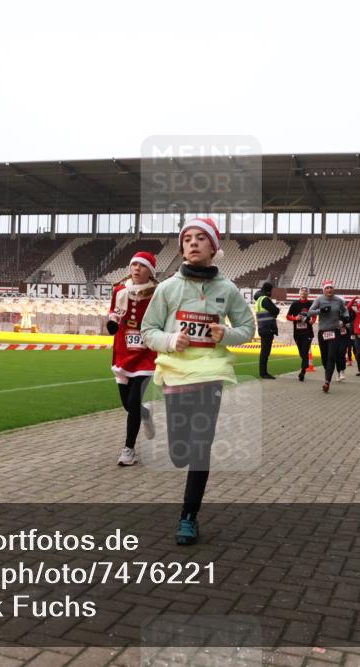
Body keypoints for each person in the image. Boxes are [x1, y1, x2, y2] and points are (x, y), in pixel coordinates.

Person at [141, 217, 254, 545]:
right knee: (180, 452)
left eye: (200, 238)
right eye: (187, 238)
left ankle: (188, 517)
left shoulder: (227, 289)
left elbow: (248, 328)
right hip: (176, 374)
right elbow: (149, 331)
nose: (192, 243)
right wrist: (171, 341)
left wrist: (226, 334)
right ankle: (170, 438)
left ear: (213, 247)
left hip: (211, 374)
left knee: (201, 446)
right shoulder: (167, 289)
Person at [106, 251, 159, 467]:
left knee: (134, 400)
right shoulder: (119, 290)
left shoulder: (157, 293)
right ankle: (145, 413)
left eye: (142, 265)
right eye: (134, 264)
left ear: (151, 271)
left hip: (147, 352)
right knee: (128, 404)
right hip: (124, 349)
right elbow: (113, 312)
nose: (136, 268)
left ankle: (129, 449)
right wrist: (112, 322)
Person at [307, 281, 350, 393]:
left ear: (333, 289)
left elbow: (345, 311)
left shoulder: (338, 300)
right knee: (325, 358)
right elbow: (309, 312)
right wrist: (320, 311)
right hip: (323, 332)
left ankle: (327, 382)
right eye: (327, 288)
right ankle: (328, 372)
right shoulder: (319, 299)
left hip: (335, 332)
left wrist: (345, 318)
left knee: (332, 356)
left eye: (331, 288)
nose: (329, 290)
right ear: (324, 290)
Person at [285, 287, 316, 381]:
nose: (304, 292)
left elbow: (314, 316)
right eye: (302, 291)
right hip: (297, 333)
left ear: (308, 294)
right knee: (302, 353)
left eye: (306, 291)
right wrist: (295, 318)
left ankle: (302, 372)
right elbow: (288, 316)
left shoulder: (311, 304)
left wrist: (312, 321)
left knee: (305, 350)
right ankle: (305, 364)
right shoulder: (295, 304)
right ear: (299, 293)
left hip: (308, 333)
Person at [253, 281, 280, 379]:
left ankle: (263, 372)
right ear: (268, 290)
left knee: (264, 351)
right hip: (267, 328)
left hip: (262, 327)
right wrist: (275, 312)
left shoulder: (259, 299)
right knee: (265, 352)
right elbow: (276, 310)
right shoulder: (265, 299)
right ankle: (263, 373)